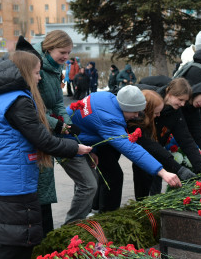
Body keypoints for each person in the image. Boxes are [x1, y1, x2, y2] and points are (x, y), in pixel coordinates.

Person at [0, 51, 83, 259]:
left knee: (10, 239)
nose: (39, 78)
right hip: (14, 181)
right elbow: (42, 140)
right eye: (36, 73)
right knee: (22, 241)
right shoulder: (18, 101)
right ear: (25, 72)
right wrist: (75, 148)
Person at [66, 85, 182, 214]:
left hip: (82, 144)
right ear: (126, 107)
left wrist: (93, 150)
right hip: (68, 144)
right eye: (135, 112)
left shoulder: (107, 97)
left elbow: (90, 125)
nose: (137, 116)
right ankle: (88, 220)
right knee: (89, 185)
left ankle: (93, 214)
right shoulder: (110, 119)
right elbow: (132, 150)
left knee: (93, 182)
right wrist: (163, 172)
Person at [32, 30, 80, 237]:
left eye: (69, 53)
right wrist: (56, 124)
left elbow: (58, 102)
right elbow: (32, 107)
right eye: (63, 52)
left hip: (49, 128)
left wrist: (66, 122)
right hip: (38, 131)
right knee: (41, 183)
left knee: (45, 183)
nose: (66, 57)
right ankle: (40, 236)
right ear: (49, 48)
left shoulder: (55, 68)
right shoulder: (36, 67)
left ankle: (46, 234)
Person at [129, 90, 196, 200]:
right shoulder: (136, 122)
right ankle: (141, 204)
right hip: (138, 156)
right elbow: (150, 145)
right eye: (156, 113)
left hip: (146, 156)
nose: (159, 115)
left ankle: (145, 202)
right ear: (147, 111)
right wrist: (178, 168)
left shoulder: (147, 118)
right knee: (140, 182)